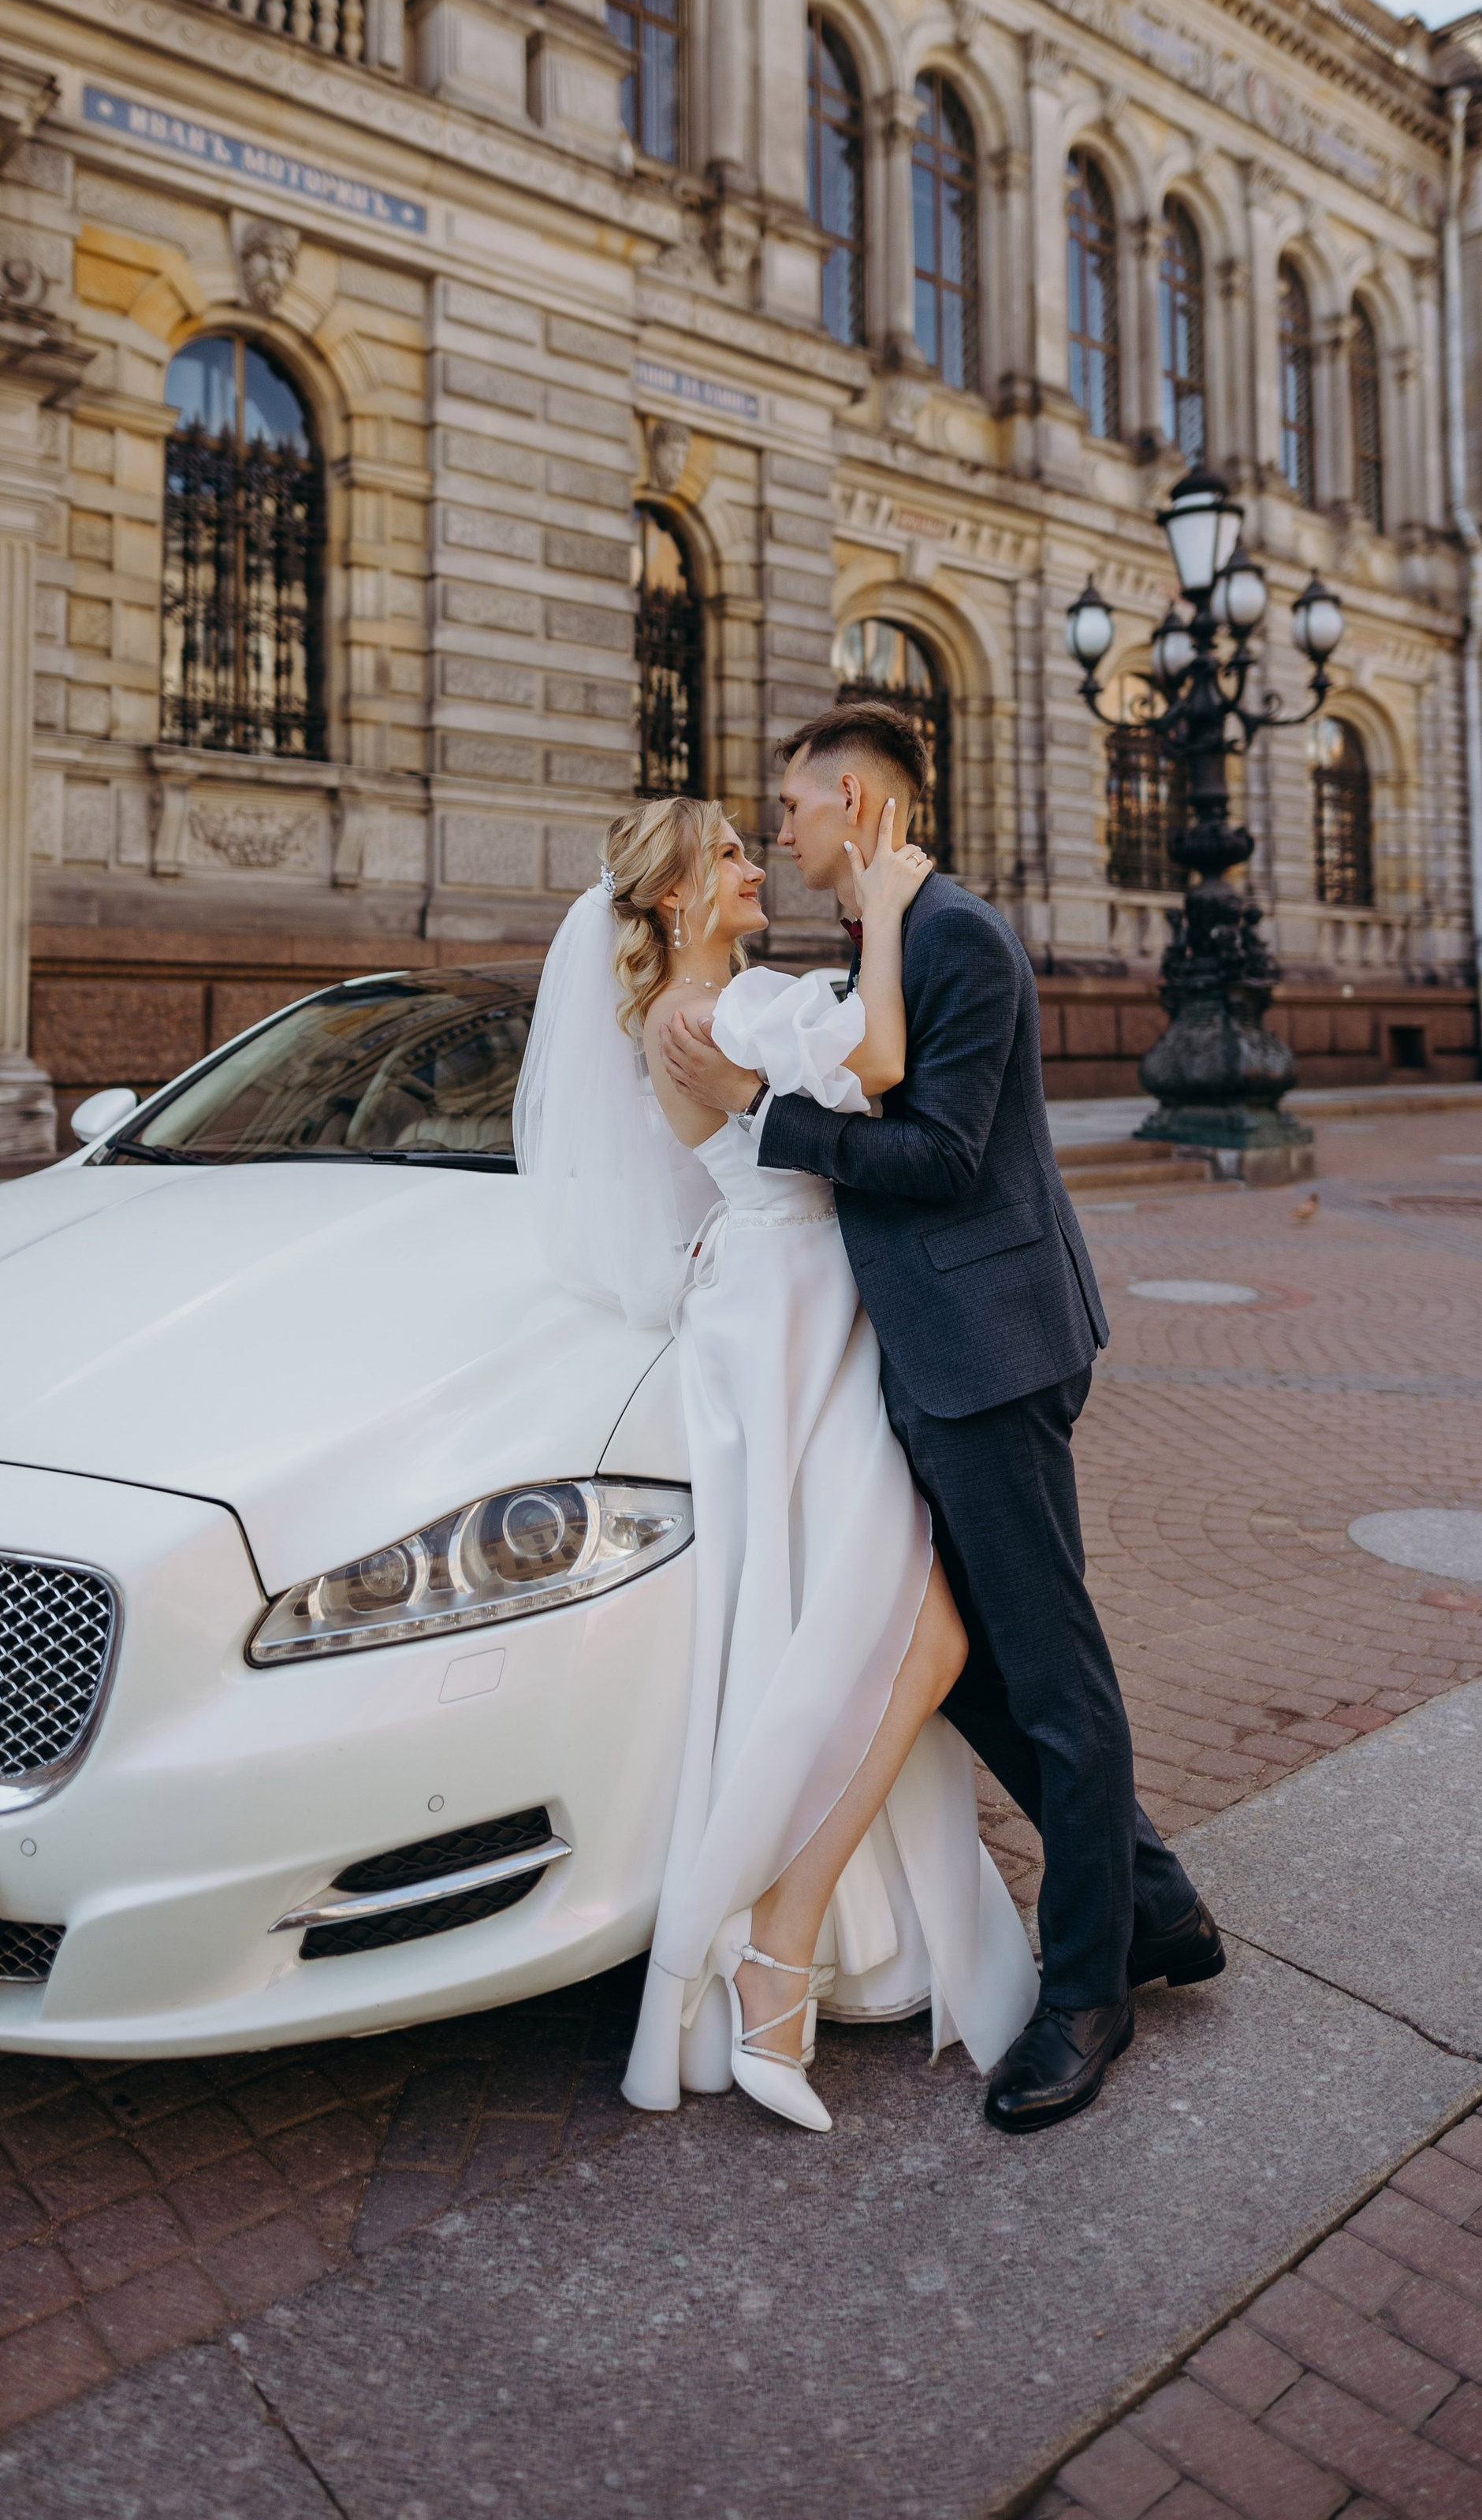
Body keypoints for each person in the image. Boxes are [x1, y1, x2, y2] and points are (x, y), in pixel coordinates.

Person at [659, 702, 1225, 2133]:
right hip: (926, 1357)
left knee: (1051, 1672)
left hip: (991, 1353)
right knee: (963, 1666)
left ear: (854, 802)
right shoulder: (889, 935)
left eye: (792, 805)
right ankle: (1151, 1899)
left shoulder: (955, 932)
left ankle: (1086, 1991)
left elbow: (940, 1151)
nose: (779, 830)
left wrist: (760, 1117)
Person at [513, 795, 1036, 2133]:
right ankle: (772, 1941)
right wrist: (893, 906)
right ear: (681, 897)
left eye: (758, 841)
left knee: (856, 1623)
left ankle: (779, 1942)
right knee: (905, 1633)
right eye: (732, 854)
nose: (757, 865)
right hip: (794, 1315)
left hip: (781, 1306)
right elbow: (875, 1057)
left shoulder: (696, 1011)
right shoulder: (715, 1014)